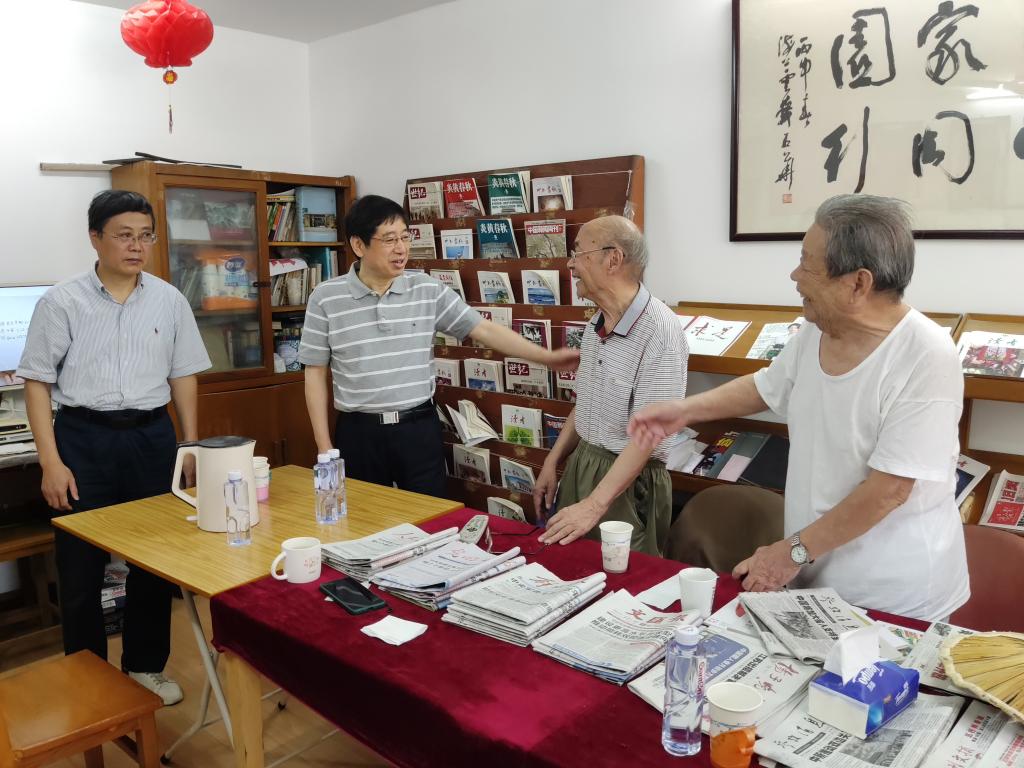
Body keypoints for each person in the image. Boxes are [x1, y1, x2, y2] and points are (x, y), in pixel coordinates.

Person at [628, 194, 968, 621]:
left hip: (894, 595)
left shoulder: (925, 355)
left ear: (858, 284)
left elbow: (889, 491)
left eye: (807, 264)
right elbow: (766, 387)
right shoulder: (818, 331)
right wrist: (684, 411)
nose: (795, 275)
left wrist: (790, 553)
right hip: (813, 570)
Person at [17, 189, 211, 705]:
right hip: (83, 439)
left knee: (155, 559)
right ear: (95, 238)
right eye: (124, 235)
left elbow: (183, 375)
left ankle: (145, 666)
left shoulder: (168, 299)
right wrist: (50, 461)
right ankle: (88, 678)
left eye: (145, 236)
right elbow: (36, 382)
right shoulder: (61, 302)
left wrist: (190, 445)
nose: (136, 246)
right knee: (80, 568)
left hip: (152, 436)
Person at [298, 195, 578, 497]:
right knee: (364, 515)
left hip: (418, 428)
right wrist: (324, 446)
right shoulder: (325, 298)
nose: (401, 248)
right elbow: (315, 372)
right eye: (389, 240)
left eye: (405, 237)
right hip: (359, 432)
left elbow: (483, 328)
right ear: (358, 245)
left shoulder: (427, 289)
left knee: (430, 513)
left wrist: (544, 356)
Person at [535, 215, 688, 555]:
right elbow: (586, 402)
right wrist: (553, 461)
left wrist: (594, 505)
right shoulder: (597, 324)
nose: (570, 264)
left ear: (613, 259)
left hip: (627, 482)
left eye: (578, 253)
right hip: (583, 464)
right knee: (569, 565)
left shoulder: (660, 331)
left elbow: (649, 437)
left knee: (623, 577)